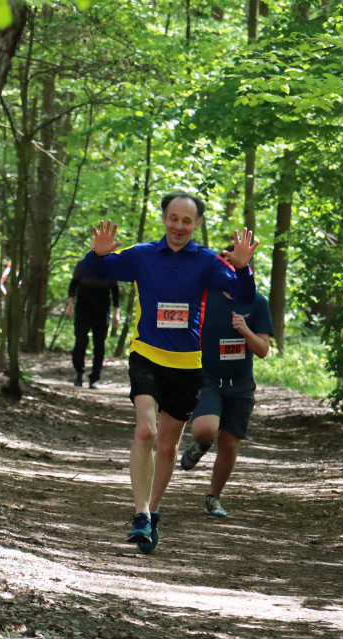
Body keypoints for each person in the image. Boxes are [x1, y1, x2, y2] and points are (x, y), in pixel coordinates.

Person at [77, 191, 258, 551]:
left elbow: (244, 297)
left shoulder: (207, 261)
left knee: (167, 444)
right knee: (145, 430)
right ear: (164, 219)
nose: (179, 226)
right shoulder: (143, 255)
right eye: (173, 218)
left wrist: (242, 267)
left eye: (187, 220)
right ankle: (140, 513)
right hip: (146, 355)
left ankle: (153, 512)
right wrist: (97, 253)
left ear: (197, 225)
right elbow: (92, 272)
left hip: (187, 364)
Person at [179, 245, 273, 518]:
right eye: (227, 262)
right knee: (205, 430)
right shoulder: (205, 298)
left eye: (238, 263)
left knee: (230, 443)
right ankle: (201, 446)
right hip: (208, 378)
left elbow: (263, 350)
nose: (231, 268)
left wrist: (244, 331)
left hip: (241, 383)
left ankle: (213, 497)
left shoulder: (257, 302)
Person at [65, 263, 120, 388]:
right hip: (82, 309)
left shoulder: (110, 266)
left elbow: (115, 290)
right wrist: (70, 304)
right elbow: (73, 284)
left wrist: (117, 312)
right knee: (81, 340)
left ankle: (95, 377)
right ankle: (79, 373)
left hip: (102, 311)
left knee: (100, 344)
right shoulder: (82, 264)